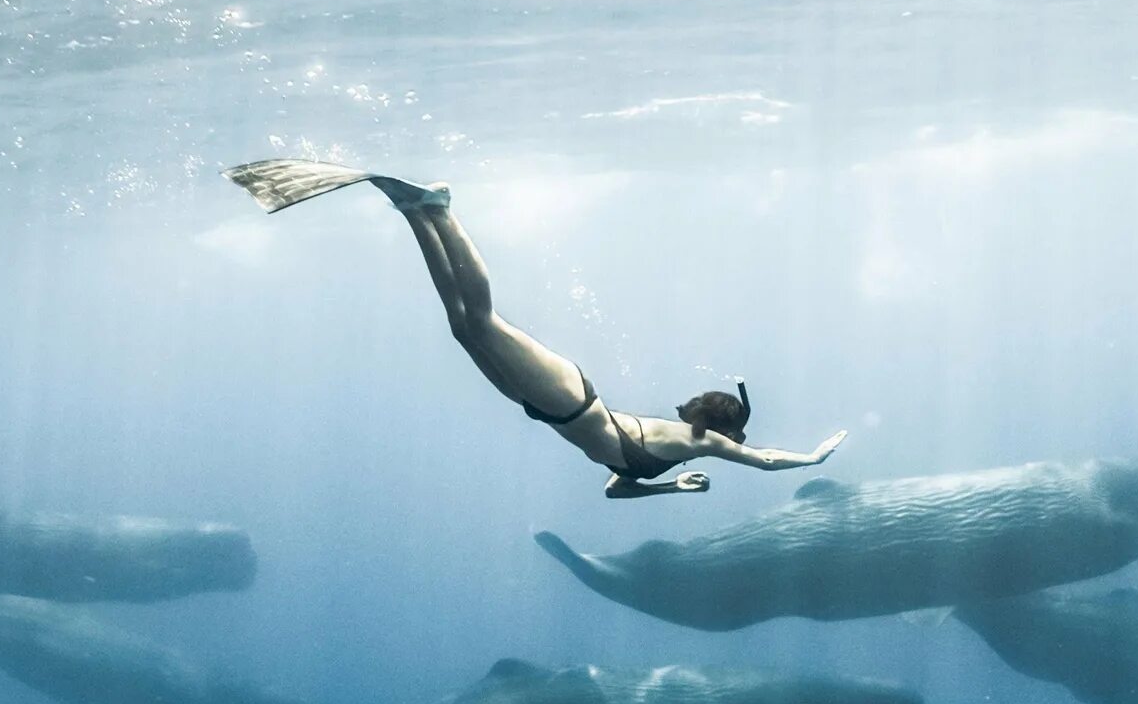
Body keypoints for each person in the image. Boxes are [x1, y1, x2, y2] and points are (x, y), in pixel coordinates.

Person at [228, 158, 846, 498]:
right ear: (723, 431)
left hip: (547, 409)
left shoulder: (671, 457)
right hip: (569, 399)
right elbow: (763, 461)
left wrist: (674, 491)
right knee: (483, 322)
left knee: (464, 331)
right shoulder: (701, 441)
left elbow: (616, 492)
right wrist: (812, 457)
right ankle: (437, 209)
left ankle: (415, 212)